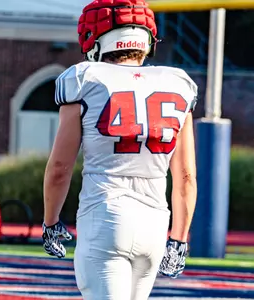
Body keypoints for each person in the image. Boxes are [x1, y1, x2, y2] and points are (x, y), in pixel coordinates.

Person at [42, 0, 198, 299]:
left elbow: (60, 169)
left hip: (105, 215)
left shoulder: (83, 78)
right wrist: (178, 239)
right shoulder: (178, 83)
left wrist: (50, 221)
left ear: (94, 38)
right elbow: (187, 177)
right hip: (155, 223)